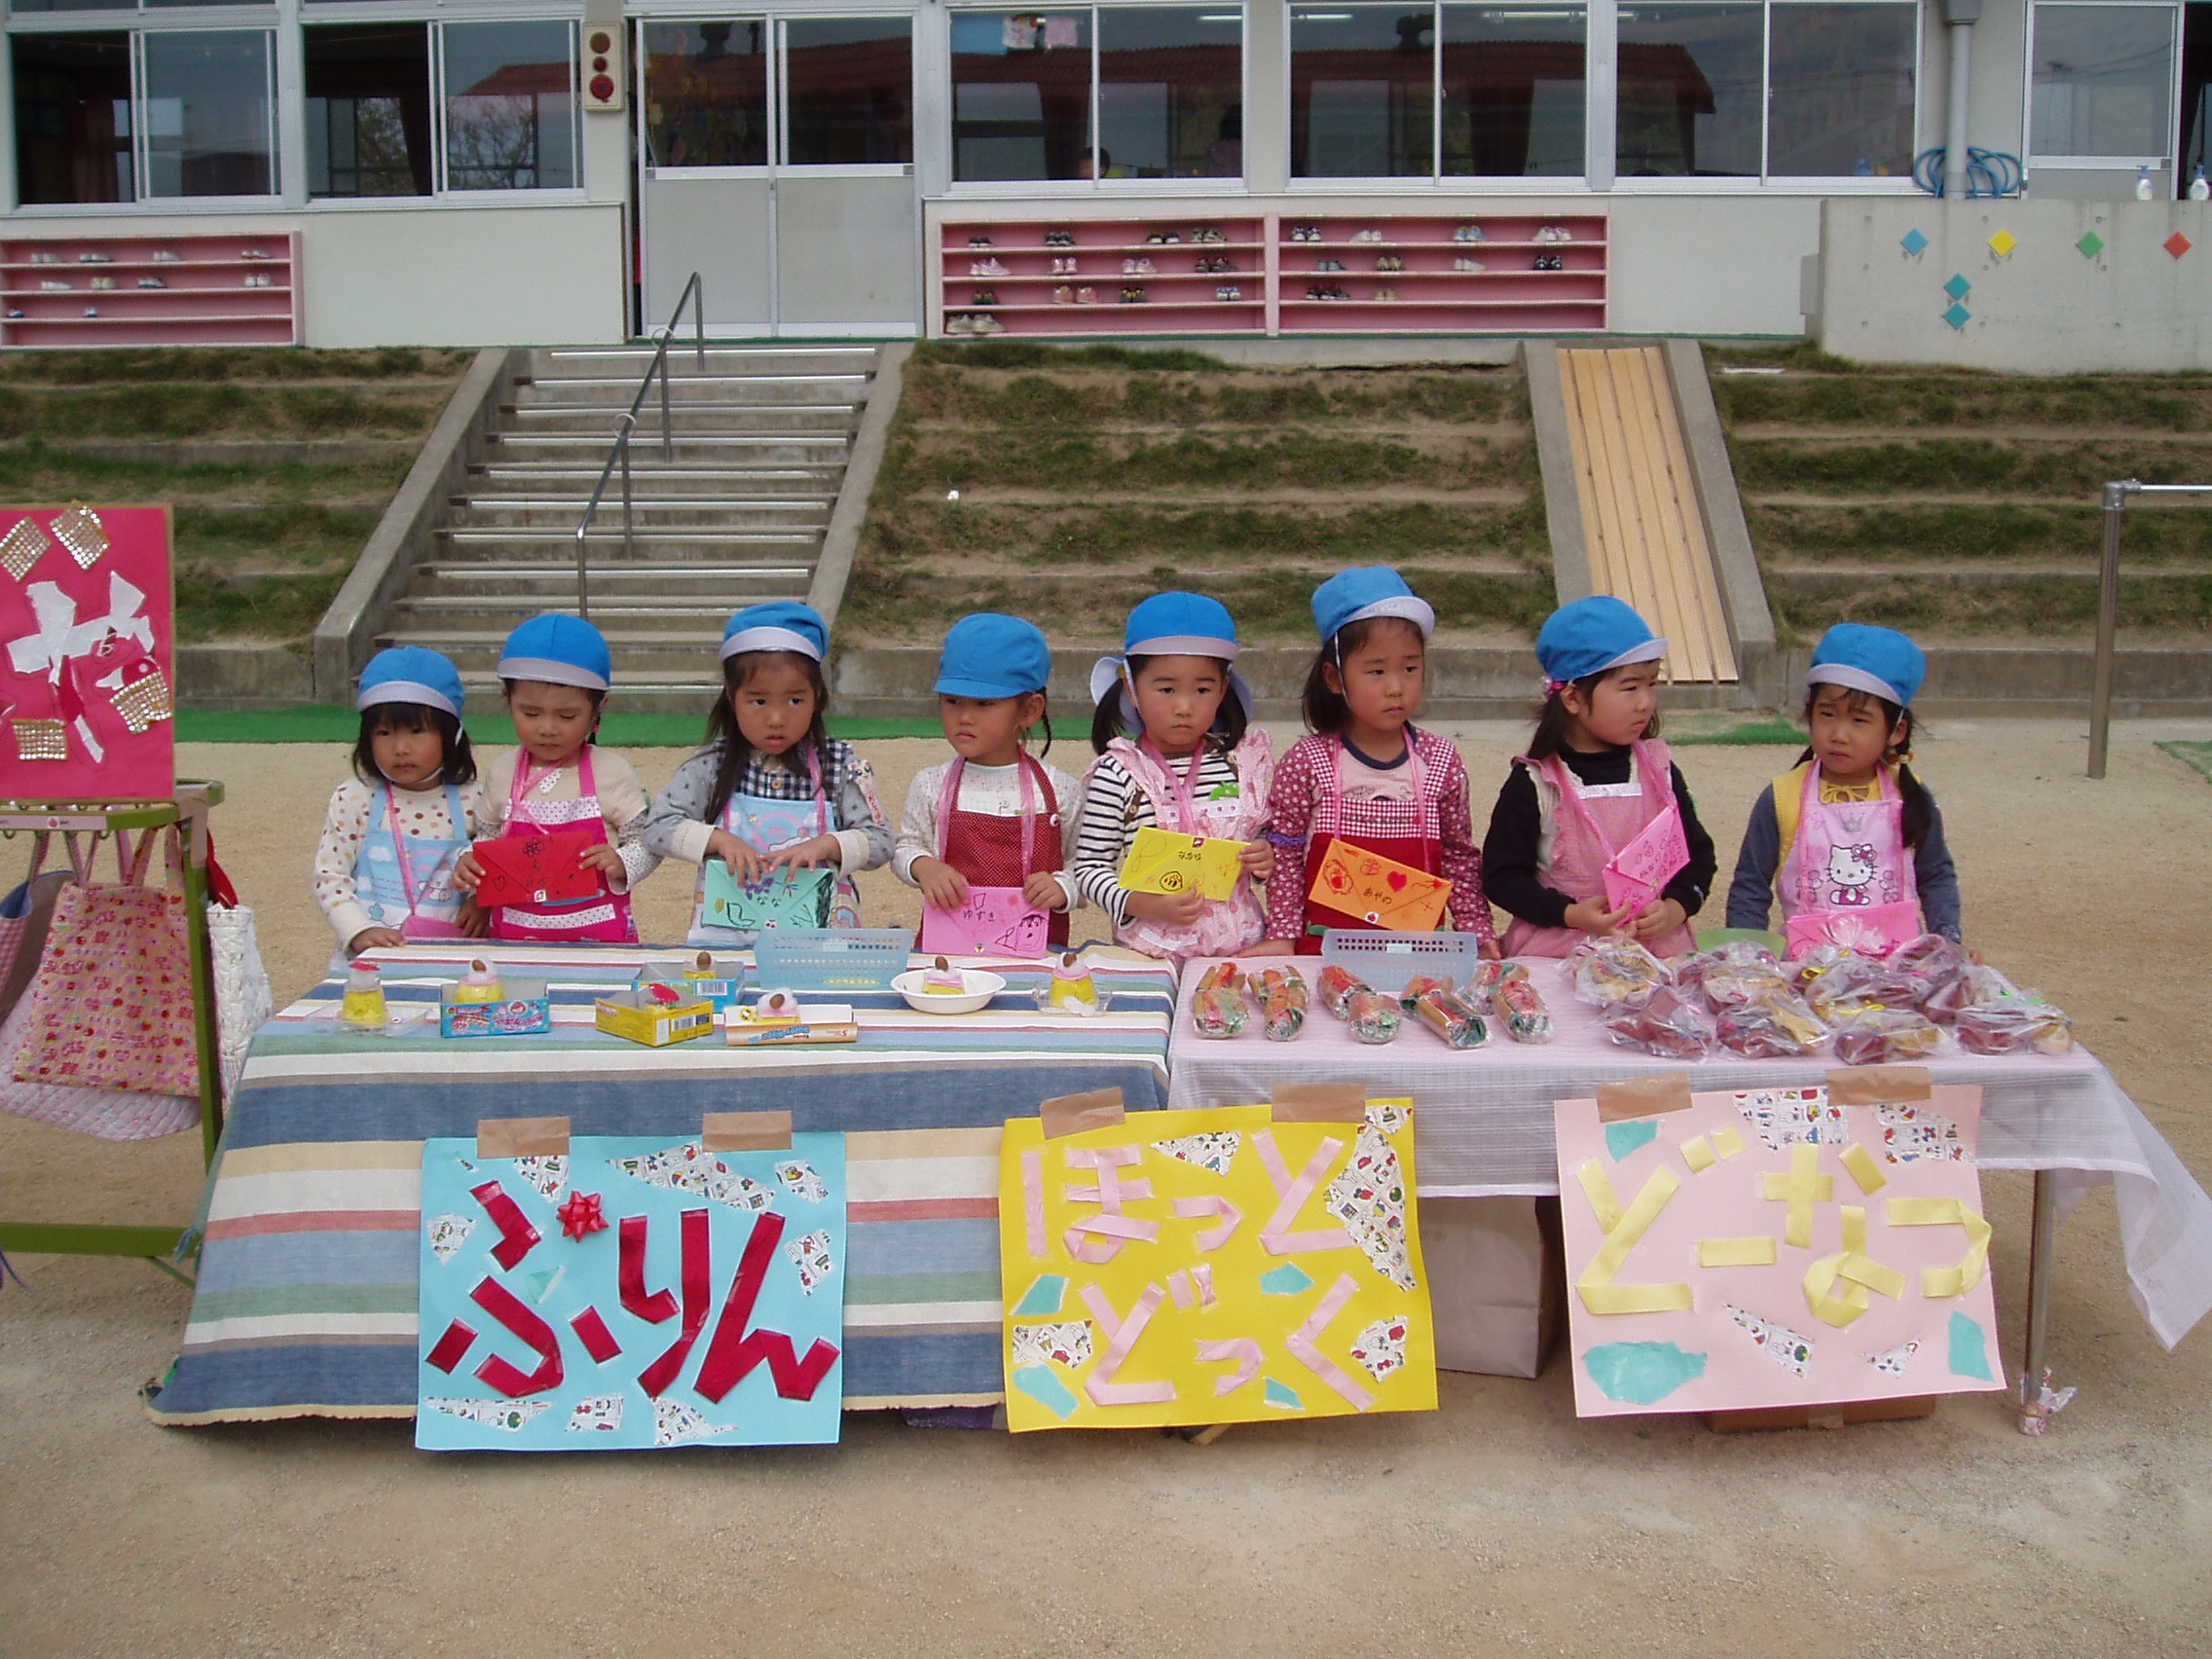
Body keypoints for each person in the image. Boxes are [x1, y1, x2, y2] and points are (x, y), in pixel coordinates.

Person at [1255, 568, 1493, 955]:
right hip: (1325, 954)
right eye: (1377, 671)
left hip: (1418, 956)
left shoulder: (1440, 760)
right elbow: (1285, 854)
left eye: (1410, 668)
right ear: (1335, 678)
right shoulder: (1307, 762)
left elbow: (1458, 855)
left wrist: (1477, 933)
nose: (1395, 687)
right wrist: (1282, 934)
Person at [641, 602, 892, 948]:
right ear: (732, 697)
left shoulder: (838, 765)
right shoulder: (711, 765)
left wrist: (827, 845)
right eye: (758, 701)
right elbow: (657, 827)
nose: (776, 719)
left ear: (817, 697)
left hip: (818, 942)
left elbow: (880, 840)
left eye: (794, 701)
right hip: (727, 938)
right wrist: (718, 840)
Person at [1481, 595, 1715, 957]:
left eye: (1651, 683)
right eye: (1630, 687)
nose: (1645, 702)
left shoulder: (1660, 771)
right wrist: (1570, 913)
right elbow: (1502, 877)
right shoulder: (1536, 783)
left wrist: (1675, 908)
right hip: (1559, 951)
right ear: (1573, 698)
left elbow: (1698, 857)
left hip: (1654, 953)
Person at [1725, 623, 1961, 952]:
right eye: (1827, 714)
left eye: (1859, 720)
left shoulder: (1909, 797)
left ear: (1896, 731)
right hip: (1807, 968)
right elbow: (1750, 887)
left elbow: (1936, 877)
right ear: (1810, 713)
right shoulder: (1782, 797)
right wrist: (1747, 956)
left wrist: (1948, 941)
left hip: (1897, 968)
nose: (1839, 734)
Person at [1068, 591, 1272, 961]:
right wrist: (1141, 903)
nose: (1184, 706)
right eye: (1166, 689)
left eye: (1202, 689)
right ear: (1132, 689)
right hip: (1152, 953)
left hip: (1239, 950)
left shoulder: (1240, 766)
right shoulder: (1118, 774)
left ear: (1223, 689)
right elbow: (1090, 869)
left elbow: (1262, 838)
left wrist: (1264, 857)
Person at [452, 613, 656, 944]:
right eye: (530, 713)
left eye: (567, 715)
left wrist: (621, 861)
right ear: (507, 700)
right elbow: (488, 837)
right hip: (516, 939)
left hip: (598, 941)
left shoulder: (611, 772)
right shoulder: (502, 772)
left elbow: (648, 841)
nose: (547, 728)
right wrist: (471, 868)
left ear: (599, 707)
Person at [896, 613, 1082, 946]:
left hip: (1037, 954)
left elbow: (1086, 864)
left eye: (984, 703)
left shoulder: (1060, 790)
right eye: (952, 701)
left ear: (1029, 710)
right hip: (948, 954)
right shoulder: (930, 784)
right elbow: (905, 847)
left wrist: (1063, 886)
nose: (965, 716)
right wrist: (923, 867)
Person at [313, 645, 487, 962]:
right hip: (370, 961)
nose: (401, 748)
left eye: (417, 731)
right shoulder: (355, 799)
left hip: (455, 958)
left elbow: (492, 863)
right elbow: (329, 876)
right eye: (384, 733)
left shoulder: (476, 799)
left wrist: (481, 902)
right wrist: (358, 930)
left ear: (451, 735)